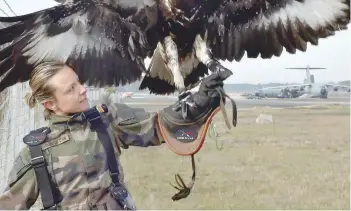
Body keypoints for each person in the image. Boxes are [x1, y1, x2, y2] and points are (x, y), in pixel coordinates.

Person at [0, 61, 233, 210]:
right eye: (70, 89)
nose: (82, 89)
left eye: (78, 82)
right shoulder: (36, 154)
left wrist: (197, 104)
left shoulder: (106, 120)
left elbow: (158, 126)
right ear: (51, 103)